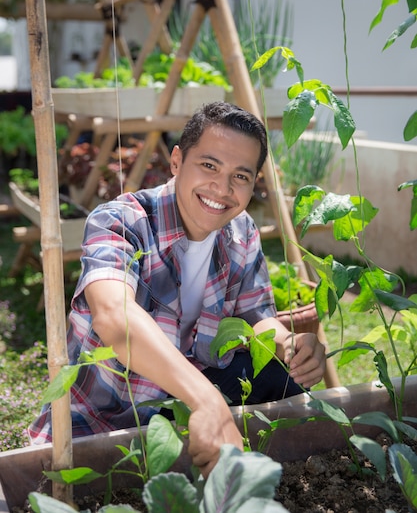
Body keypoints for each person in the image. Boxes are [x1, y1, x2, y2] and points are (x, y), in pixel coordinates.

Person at [29, 101, 326, 477]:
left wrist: (289, 344)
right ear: (176, 161)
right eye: (209, 166)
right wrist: (207, 402)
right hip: (106, 417)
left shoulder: (241, 231)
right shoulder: (121, 220)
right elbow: (114, 317)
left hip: (180, 401)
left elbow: (257, 316)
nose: (222, 187)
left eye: (240, 176)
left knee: (281, 379)